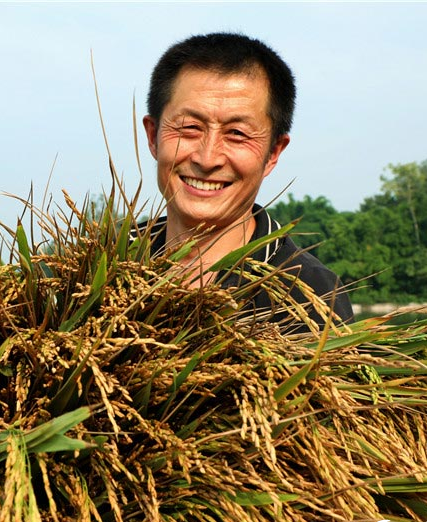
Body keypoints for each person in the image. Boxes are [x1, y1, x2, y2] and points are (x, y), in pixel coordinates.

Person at [140, 32, 354, 331]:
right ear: (153, 136)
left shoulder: (307, 294)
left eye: (237, 134)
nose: (208, 158)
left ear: (273, 153)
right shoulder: (103, 267)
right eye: (190, 127)